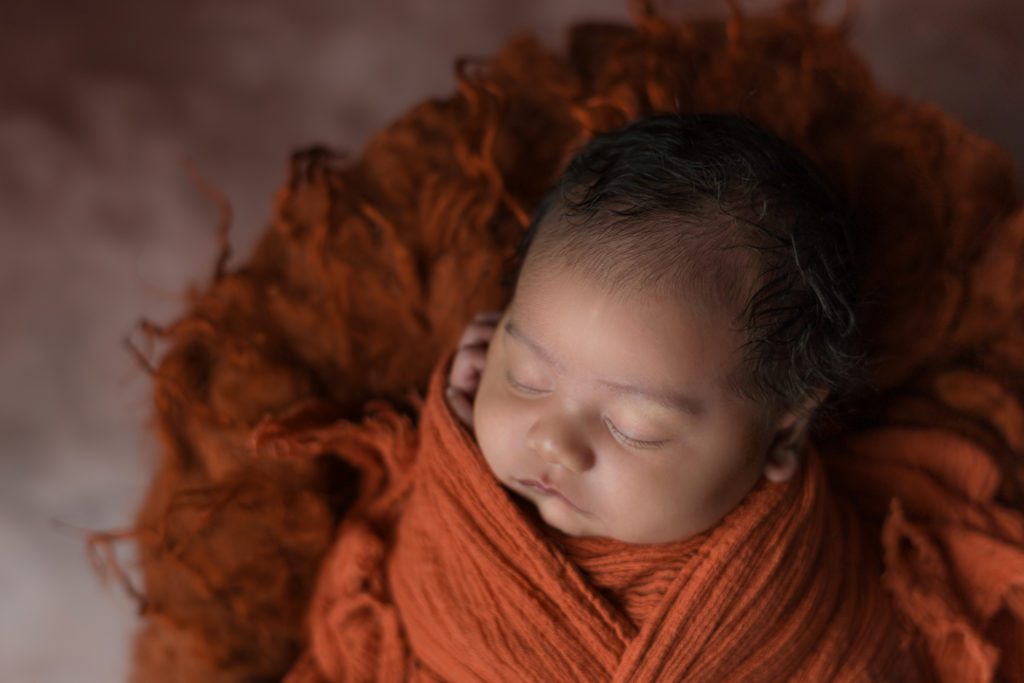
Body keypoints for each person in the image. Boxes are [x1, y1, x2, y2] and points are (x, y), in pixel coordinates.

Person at [444, 112, 856, 544]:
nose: (552, 443)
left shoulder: (796, 568)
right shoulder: (463, 434)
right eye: (524, 378)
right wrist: (454, 458)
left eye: (634, 430)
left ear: (783, 434)